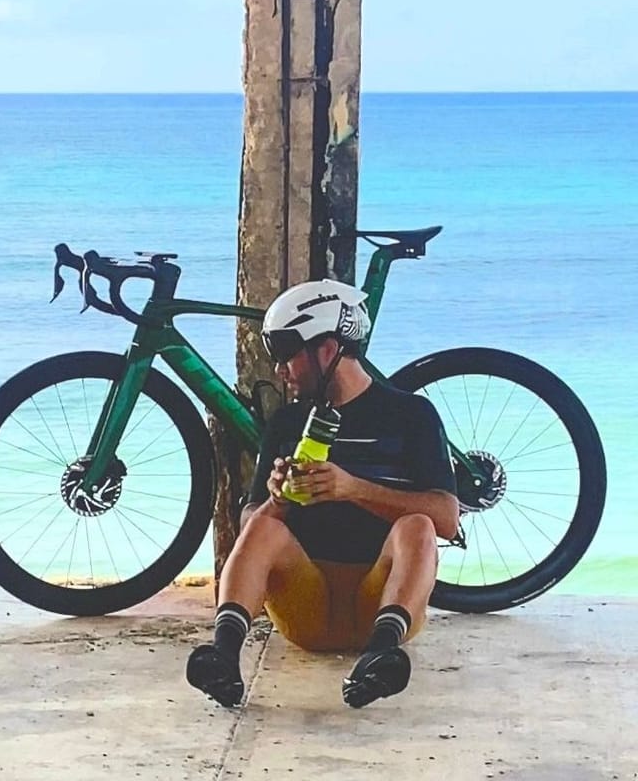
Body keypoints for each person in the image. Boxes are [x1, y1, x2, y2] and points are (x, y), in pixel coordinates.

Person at [185, 279, 459, 710]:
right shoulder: (288, 422)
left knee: (417, 526)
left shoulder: (411, 415)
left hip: (379, 601)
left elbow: (447, 518)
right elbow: (249, 529)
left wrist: (351, 488)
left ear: (328, 350)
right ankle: (222, 654)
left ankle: (381, 655)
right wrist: (278, 498)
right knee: (261, 528)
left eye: (286, 354)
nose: (279, 370)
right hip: (306, 606)